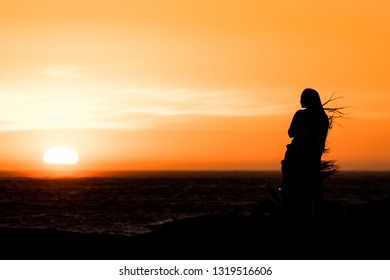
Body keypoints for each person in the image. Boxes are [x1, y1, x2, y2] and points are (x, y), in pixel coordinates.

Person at [280, 88, 329, 219]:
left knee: (290, 185)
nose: (300, 100)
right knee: (312, 191)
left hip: (296, 155)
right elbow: (322, 143)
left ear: (308, 100)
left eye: (302, 98)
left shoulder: (300, 115)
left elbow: (290, 133)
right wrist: (316, 160)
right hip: (311, 157)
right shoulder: (323, 118)